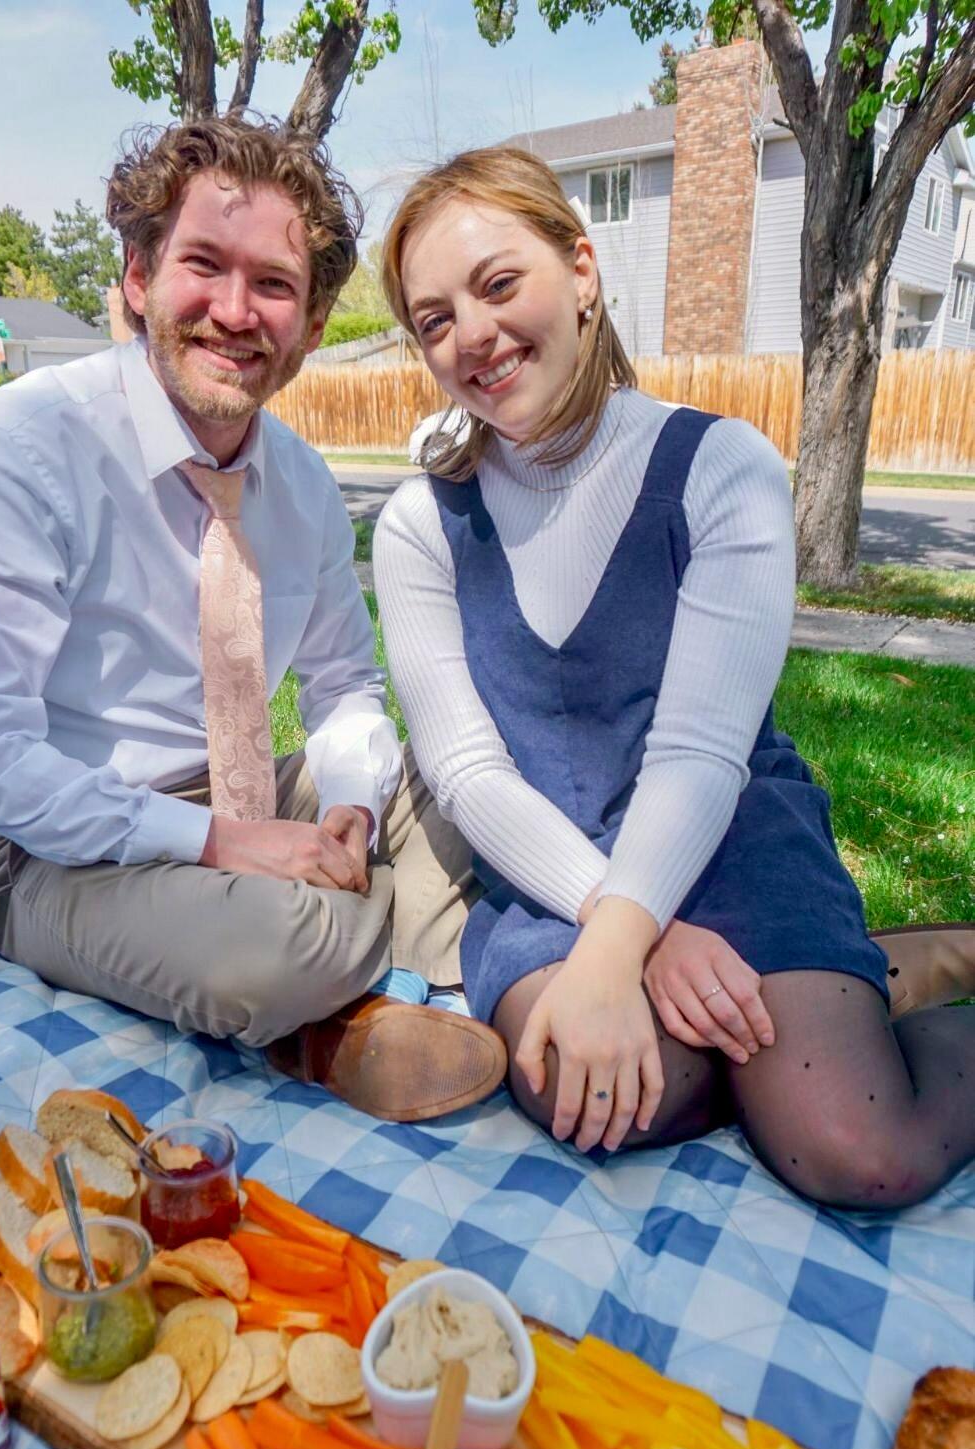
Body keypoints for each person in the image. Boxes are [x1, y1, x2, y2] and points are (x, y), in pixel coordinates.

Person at [373, 145, 975, 1207]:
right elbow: (466, 773)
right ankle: (842, 993)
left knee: (854, 1148)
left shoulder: (721, 465)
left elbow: (699, 752)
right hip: (548, 861)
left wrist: (623, 945)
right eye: (432, 318)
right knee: (598, 1095)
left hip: (728, 834)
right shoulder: (419, 523)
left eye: (498, 283)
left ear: (583, 271)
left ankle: (919, 988)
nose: (470, 334)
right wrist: (626, 940)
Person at [0, 117, 507, 1123]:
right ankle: (375, 986)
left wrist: (354, 801)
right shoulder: (25, 446)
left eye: (273, 284)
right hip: (51, 848)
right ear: (140, 278)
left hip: (239, 791)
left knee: (467, 785)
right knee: (276, 946)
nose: (235, 311)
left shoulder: (304, 486)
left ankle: (350, 989)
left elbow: (344, 688)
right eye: (203, 265)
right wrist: (223, 845)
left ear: (312, 325)